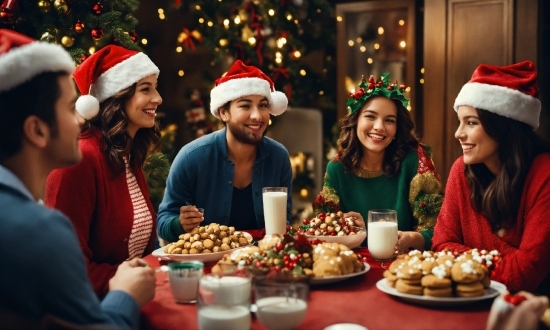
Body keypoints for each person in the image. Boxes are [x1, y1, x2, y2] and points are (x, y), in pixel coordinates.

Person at [0, 29, 155, 327]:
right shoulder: (41, 230)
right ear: (37, 130)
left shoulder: (129, 155)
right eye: (72, 107)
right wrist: (125, 293)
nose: (83, 119)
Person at [45, 44, 162, 297]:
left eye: (155, 87)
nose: (158, 98)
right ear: (117, 95)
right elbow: (65, 268)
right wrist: (129, 281)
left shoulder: (128, 155)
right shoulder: (80, 160)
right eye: (146, 89)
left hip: (131, 298)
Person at [431, 60, 550, 296]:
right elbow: (440, 246)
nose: (458, 133)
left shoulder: (544, 174)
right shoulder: (461, 171)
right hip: (466, 304)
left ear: (502, 126)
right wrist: (508, 259)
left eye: (471, 122)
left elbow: (525, 273)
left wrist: (464, 262)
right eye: (459, 122)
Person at [157, 60, 292, 243]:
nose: (257, 116)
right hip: (208, 265)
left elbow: (285, 222)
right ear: (223, 113)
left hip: (261, 262)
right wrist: (179, 224)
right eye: (245, 106)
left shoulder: (279, 157)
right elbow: (163, 223)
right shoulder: (192, 157)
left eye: (263, 105)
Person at [313, 73, 443, 252]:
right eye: (370, 116)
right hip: (355, 268)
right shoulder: (337, 169)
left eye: (389, 120)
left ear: (397, 128)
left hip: (404, 267)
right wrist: (347, 227)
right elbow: (322, 234)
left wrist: (415, 238)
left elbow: (439, 228)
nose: (379, 127)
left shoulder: (413, 162)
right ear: (355, 120)